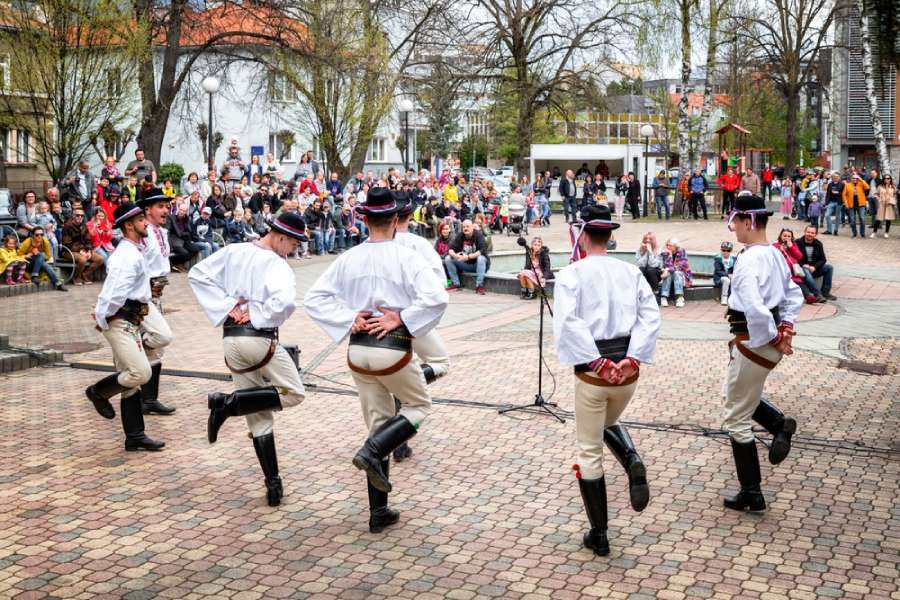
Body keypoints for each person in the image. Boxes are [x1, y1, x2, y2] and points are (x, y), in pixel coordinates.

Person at [303, 187, 449, 533]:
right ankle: (371, 453)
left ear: (364, 219)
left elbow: (314, 298)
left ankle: (378, 512)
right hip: (391, 348)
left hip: (357, 350)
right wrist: (402, 318)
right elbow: (436, 297)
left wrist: (347, 317)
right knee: (417, 406)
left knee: (379, 422)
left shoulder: (348, 258)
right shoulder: (408, 257)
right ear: (396, 222)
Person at [552, 203, 660, 556]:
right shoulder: (630, 272)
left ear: (582, 235)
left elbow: (569, 322)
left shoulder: (572, 274)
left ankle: (599, 533)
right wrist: (630, 358)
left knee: (589, 450)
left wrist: (598, 362)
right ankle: (630, 459)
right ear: (609, 236)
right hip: (627, 374)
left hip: (594, 373)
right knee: (608, 422)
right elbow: (650, 315)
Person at [188, 213, 310, 507]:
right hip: (259, 339)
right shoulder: (277, 265)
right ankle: (226, 404)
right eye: (293, 243)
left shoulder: (233, 251)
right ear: (280, 236)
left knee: (259, 414)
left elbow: (197, 275)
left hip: (231, 340)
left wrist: (228, 306)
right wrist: (255, 313)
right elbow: (285, 303)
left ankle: (273, 483)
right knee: (294, 392)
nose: (293, 250)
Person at [721, 195, 803, 512]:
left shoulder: (750, 259)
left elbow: (755, 307)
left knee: (736, 418)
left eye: (737, 222)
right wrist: (785, 327)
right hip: (762, 342)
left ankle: (752, 492)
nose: (734, 229)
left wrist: (773, 336)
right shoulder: (777, 255)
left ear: (748, 222)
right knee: (739, 400)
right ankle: (779, 426)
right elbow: (793, 295)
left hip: (753, 342)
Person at [85, 202, 165, 452]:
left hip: (131, 319)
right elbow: (112, 293)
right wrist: (103, 317)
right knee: (140, 373)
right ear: (129, 225)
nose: (146, 223)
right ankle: (98, 391)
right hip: (119, 320)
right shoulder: (125, 256)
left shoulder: (134, 250)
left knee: (132, 380)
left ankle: (135, 435)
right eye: (141, 219)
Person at [390, 193, 452, 461]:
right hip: (412, 318)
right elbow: (439, 283)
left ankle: (400, 392)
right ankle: (406, 387)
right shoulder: (418, 244)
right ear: (409, 216)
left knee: (392, 373)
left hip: (381, 321)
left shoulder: (372, 245)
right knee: (440, 362)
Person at [137, 188, 177, 416]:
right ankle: (133, 348)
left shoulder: (162, 231)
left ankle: (149, 400)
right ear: (147, 210)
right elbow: (138, 265)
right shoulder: (144, 234)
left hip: (157, 292)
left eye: (166, 206)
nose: (165, 210)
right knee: (161, 336)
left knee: (158, 349)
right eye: (160, 206)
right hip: (144, 294)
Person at [774, 228, 823, 303]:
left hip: (793, 270)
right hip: (782, 270)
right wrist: (780, 250)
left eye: (788, 236)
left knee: (799, 282)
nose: (786, 238)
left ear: (791, 237)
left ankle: (809, 296)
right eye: (785, 236)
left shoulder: (793, 245)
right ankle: (811, 295)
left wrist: (791, 247)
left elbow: (799, 256)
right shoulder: (775, 245)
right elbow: (774, 257)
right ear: (780, 236)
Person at [445, 219, 490, 295]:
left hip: (479, 264)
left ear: (472, 227)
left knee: (481, 258)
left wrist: (468, 257)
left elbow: (482, 250)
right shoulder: (460, 235)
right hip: (466, 264)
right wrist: (455, 256)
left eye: (468, 226)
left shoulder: (478, 235)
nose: (465, 228)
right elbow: (450, 250)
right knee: (448, 258)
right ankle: (456, 284)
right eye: (464, 227)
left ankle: (479, 286)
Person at [62, 207, 104, 285]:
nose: (80, 217)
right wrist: (80, 250)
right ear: (73, 216)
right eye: (77, 215)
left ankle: (85, 274)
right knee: (83, 259)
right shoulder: (67, 227)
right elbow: (67, 243)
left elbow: (88, 240)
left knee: (100, 259)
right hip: (69, 251)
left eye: (82, 215)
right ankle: (76, 277)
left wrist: (88, 250)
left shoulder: (84, 226)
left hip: (83, 250)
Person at [794, 225, 836, 301]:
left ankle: (825, 293)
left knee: (829, 268)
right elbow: (794, 258)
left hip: (814, 268)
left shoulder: (818, 244)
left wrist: (814, 267)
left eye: (812, 233)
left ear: (815, 234)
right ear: (805, 232)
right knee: (806, 270)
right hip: (802, 269)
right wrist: (803, 265)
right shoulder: (797, 242)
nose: (810, 234)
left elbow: (823, 259)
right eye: (808, 232)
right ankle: (817, 294)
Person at [659, 239, 692, 307]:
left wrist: (668, 269)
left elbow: (681, 265)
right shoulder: (665, 253)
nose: (668, 247)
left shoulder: (682, 251)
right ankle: (664, 297)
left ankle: (679, 297)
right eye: (667, 245)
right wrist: (670, 256)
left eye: (670, 245)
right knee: (668, 274)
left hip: (682, 275)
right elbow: (666, 266)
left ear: (675, 246)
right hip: (669, 274)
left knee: (676, 272)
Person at [635, 232, 662, 298]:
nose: (647, 240)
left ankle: (656, 292)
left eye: (650, 239)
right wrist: (644, 252)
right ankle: (639, 293)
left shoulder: (659, 250)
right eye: (646, 239)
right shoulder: (640, 250)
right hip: (645, 272)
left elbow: (653, 264)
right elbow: (640, 264)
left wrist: (650, 252)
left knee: (650, 270)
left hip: (656, 274)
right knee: (640, 269)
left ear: (654, 240)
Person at [842, 173, 869, 238]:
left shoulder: (861, 184)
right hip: (851, 205)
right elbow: (844, 195)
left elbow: (867, 187)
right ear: (851, 179)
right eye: (853, 178)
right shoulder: (847, 185)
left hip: (861, 205)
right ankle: (854, 233)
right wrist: (846, 203)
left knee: (862, 219)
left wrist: (861, 179)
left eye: (856, 178)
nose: (855, 179)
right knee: (852, 220)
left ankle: (862, 233)